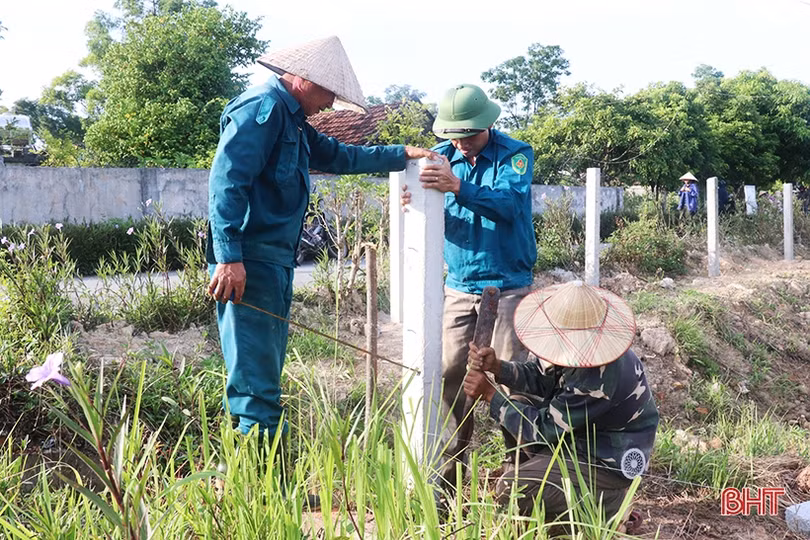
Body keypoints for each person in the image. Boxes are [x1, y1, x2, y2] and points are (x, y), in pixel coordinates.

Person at [206, 36, 434, 468]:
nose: (331, 104)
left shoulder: (293, 122)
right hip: (249, 262)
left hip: (273, 260)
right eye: (330, 92)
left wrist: (400, 154)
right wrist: (228, 257)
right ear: (305, 80)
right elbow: (226, 182)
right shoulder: (263, 109)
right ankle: (262, 484)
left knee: (263, 373)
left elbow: (339, 155)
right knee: (255, 380)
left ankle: (260, 475)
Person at [401, 84, 537, 494]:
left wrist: (458, 188)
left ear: (490, 124)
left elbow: (509, 205)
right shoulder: (441, 159)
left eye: (469, 135)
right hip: (460, 286)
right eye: (454, 136)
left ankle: (522, 477)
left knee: (515, 379)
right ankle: (449, 477)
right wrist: (415, 200)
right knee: (450, 376)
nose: (460, 143)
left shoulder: (516, 154)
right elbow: (440, 214)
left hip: (509, 285)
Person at [463, 280, 658, 531]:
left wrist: (490, 395)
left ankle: (606, 508)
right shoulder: (580, 350)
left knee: (512, 489)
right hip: (581, 440)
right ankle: (542, 481)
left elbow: (543, 430)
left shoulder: (598, 375)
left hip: (605, 461)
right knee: (520, 403)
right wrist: (498, 367)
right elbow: (543, 376)